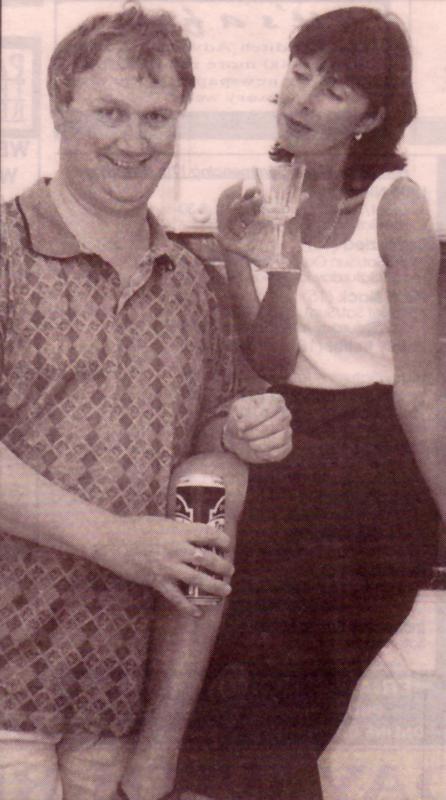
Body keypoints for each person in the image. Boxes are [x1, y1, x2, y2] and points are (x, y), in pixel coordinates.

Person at [0, 5, 293, 800]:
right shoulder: (4, 251)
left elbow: (212, 451)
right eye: (111, 112)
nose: (134, 140)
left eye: (156, 117)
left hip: (116, 706)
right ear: (60, 107)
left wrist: (249, 429)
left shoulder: (190, 284)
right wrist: (116, 541)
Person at [177, 6, 445, 800]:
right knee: (232, 654)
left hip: (377, 462)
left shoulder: (397, 204)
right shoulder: (254, 196)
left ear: (371, 116)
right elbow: (270, 364)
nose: (301, 98)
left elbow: (422, 390)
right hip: (288, 442)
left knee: (275, 668)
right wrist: (261, 266)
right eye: (300, 72)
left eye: (333, 89)